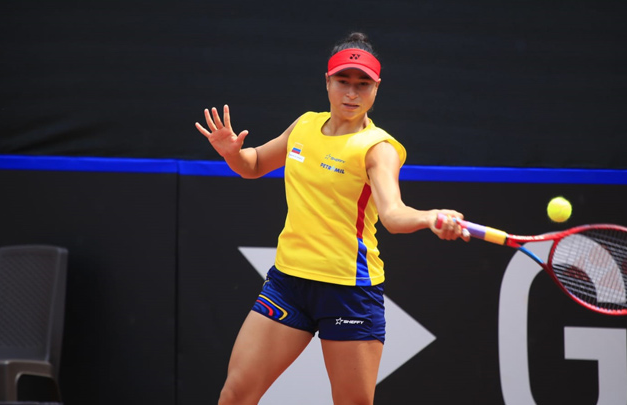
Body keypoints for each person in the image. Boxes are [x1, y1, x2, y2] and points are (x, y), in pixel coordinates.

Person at [195, 32, 469, 405]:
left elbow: (393, 214)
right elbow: (255, 164)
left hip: (348, 293)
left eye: (362, 84)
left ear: (376, 89)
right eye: (343, 81)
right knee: (235, 395)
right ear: (327, 81)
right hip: (288, 284)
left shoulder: (378, 148)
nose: (351, 93)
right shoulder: (304, 126)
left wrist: (429, 217)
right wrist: (232, 153)